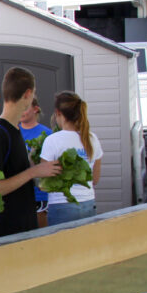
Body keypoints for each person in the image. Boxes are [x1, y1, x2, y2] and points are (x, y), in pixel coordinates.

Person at [0, 68, 61, 243]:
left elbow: (13, 175)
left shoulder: (14, 129)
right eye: (34, 93)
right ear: (27, 94)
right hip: (7, 231)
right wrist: (33, 172)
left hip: (21, 227)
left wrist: (36, 171)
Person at [41, 91, 103, 226]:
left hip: (61, 205)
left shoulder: (52, 140)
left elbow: (45, 183)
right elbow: (95, 179)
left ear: (58, 113)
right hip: (88, 202)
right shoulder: (92, 139)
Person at [19, 97, 55, 227]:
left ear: (36, 109)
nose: (21, 111)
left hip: (40, 196)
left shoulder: (47, 134)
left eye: (26, 107)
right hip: (19, 196)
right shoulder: (13, 132)